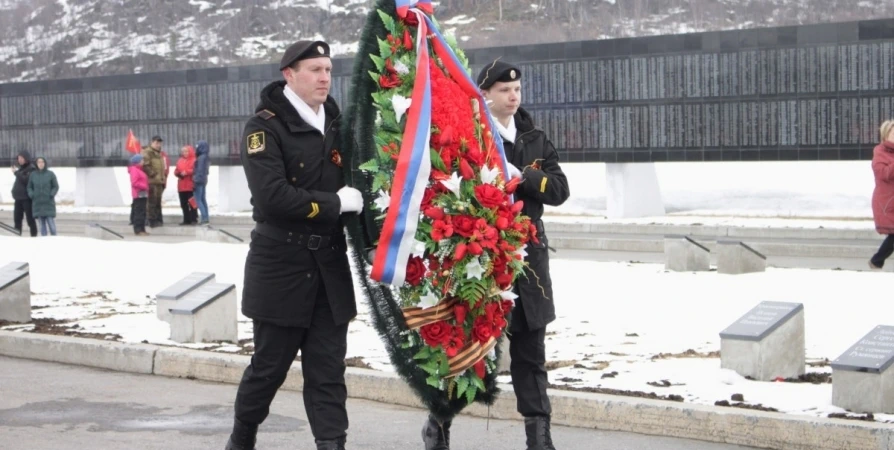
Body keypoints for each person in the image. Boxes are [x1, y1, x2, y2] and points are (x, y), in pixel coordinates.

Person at [420, 60, 571, 450]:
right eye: (504, 89)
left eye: (516, 89)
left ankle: (539, 436)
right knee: (467, 348)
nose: (513, 95)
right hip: (480, 257)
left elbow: (558, 190)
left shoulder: (534, 136)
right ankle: (439, 426)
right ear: (485, 94)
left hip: (528, 259)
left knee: (530, 350)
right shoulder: (470, 135)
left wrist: (527, 175)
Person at [225, 40, 364, 450]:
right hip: (281, 265)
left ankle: (332, 444)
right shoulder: (264, 127)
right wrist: (335, 203)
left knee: (328, 370)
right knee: (269, 368)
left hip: (329, 266)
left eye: (328, 69)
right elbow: (272, 196)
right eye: (315, 69)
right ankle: (243, 436)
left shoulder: (337, 124)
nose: (325, 77)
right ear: (290, 74)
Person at [870, 119, 894, 270]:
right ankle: (876, 260)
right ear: (886, 134)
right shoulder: (880, 153)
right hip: (888, 202)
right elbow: (883, 173)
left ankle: (877, 261)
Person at [26, 156, 59, 237]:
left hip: (48, 203)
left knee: (52, 227)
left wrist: (51, 194)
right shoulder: (33, 175)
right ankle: (44, 245)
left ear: (45, 163)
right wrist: (31, 194)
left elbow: (56, 186)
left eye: (42, 162)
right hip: (38, 204)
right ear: (36, 164)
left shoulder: (50, 174)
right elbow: (29, 187)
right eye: (39, 162)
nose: (41, 164)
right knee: (42, 228)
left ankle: (55, 242)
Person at [10, 150, 37, 237]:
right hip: (18, 198)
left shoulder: (31, 168)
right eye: (18, 158)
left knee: (30, 219)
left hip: (26, 199)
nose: (19, 160)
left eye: (21, 158)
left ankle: (34, 236)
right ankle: (17, 237)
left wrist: (16, 173)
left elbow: (26, 180)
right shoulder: (21, 169)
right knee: (17, 219)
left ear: (26, 158)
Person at [141, 136, 166, 228]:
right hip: (151, 181)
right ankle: (152, 220)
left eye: (159, 143)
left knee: (158, 201)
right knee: (152, 201)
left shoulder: (158, 153)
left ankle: (158, 219)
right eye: (156, 143)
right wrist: (153, 174)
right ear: (152, 142)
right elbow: (146, 166)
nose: (158, 145)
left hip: (159, 181)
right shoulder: (148, 152)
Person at [174, 145, 198, 225]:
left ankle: (194, 219)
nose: (185, 153)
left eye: (186, 151)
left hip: (190, 185)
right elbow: (176, 170)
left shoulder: (194, 160)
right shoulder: (180, 160)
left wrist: (187, 172)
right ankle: (186, 219)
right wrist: (177, 173)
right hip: (181, 185)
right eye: (183, 151)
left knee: (192, 203)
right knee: (183, 204)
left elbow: (195, 170)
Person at [129, 154, 150, 236]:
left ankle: (142, 229)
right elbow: (134, 182)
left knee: (143, 212)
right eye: (142, 160)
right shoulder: (134, 170)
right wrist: (144, 186)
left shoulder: (139, 169)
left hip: (143, 193)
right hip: (139, 194)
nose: (143, 162)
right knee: (139, 212)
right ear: (138, 161)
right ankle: (138, 230)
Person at [193, 140, 211, 225]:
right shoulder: (206, 157)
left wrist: (195, 180)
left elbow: (199, 170)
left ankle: (204, 218)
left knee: (198, 200)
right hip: (203, 180)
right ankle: (206, 217)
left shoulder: (201, 158)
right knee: (203, 199)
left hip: (199, 180)